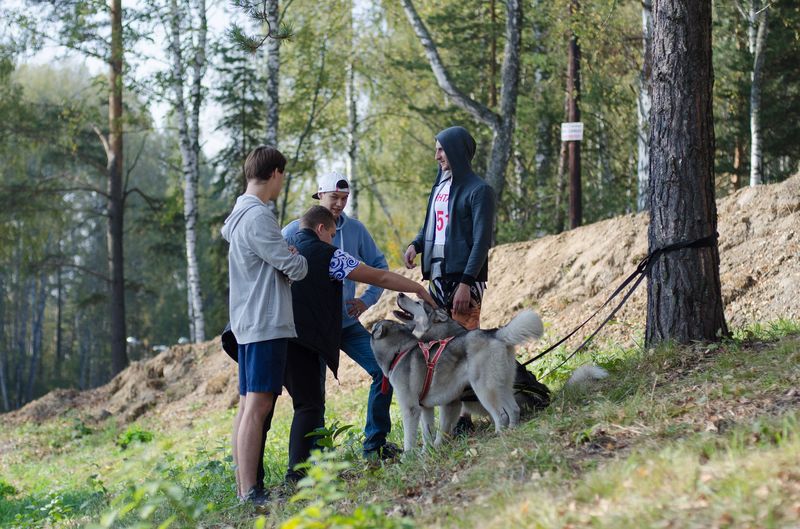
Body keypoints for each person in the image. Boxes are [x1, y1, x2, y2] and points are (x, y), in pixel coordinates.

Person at [283, 205, 435, 482]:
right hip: (308, 333)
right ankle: (302, 472)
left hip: (298, 331)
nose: (333, 239)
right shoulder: (326, 253)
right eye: (331, 234)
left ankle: (366, 447)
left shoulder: (284, 248)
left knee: (308, 402)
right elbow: (380, 277)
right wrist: (418, 288)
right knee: (310, 404)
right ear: (320, 229)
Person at [282, 172, 399, 460]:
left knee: (384, 370)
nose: (339, 204)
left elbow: (379, 266)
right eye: (334, 197)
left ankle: (375, 443)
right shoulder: (292, 232)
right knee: (313, 396)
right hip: (311, 328)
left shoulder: (356, 230)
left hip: (346, 323)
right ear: (319, 196)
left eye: (345, 199)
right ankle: (319, 458)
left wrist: (366, 300)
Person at [220, 146, 308, 506]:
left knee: (247, 405)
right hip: (264, 321)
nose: (282, 183)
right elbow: (297, 268)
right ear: (274, 173)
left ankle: (246, 488)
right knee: (257, 406)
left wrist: (285, 256)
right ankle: (250, 492)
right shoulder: (258, 218)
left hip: (248, 321)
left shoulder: (239, 216)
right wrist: (294, 255)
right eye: (283, 176)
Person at [402, 125, 496, 432]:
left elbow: (482, 241)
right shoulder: (440, 185)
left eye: (441, 149)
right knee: (438, 348)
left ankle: (465, 419)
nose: (436, 156)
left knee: (464, 348)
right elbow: (432, 224)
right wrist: (417, 244)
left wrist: (467, 282)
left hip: (463, 280)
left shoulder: (479, 190)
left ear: (455, 150)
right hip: (437, 278)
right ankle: (447, 418)